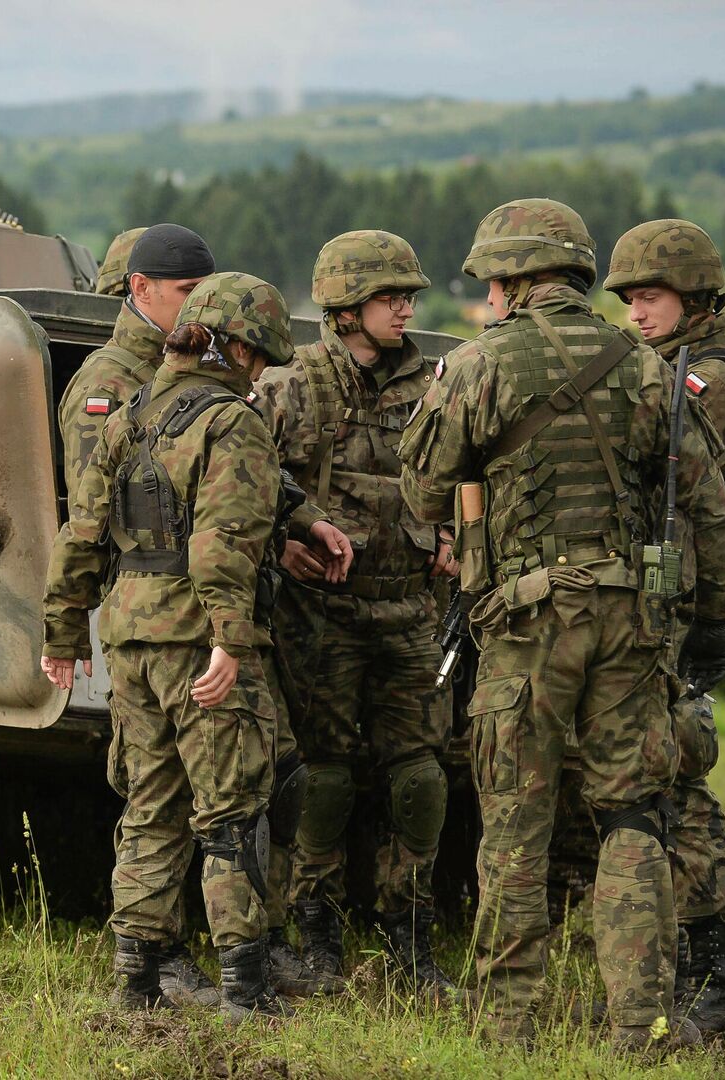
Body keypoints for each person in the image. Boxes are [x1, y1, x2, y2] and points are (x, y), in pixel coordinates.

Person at [398, 198, 725, 1053]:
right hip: (632, 627)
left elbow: (418, 492)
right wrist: (708, 625)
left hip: (526, 623)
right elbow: (710, 511)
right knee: (631, 816)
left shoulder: (479, 366)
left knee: (516, 818)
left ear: (511, 282)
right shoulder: (651, 367)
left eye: (489, 285)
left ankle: (507, 1026)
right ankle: (641, 1022)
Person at [42, 272, 353, 1020]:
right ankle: (245, 988)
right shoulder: (232, 422)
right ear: (241, 348)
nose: (259, 373)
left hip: (129, 634)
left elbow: (81, 535)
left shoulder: (132, 414)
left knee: (149, 806)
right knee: (232, 810)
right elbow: (222, 546)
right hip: (196, 640)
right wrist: (230, 642)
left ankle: (135, 983)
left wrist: (61, 632)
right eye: (259, 359)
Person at [257, 230, 456, 996]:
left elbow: (467, 476)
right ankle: (316, 940)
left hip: (409, 612)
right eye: (388, 296)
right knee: (324, 781)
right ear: (343, 309)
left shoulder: (435, 388)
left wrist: (452, 536)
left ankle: (411, 941)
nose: (406, 308)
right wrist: (282, 548)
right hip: (320, 616)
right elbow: (241, 486)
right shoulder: (289, 387)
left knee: (419, 779)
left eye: (409, 295)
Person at [604, 218, 725, 1035]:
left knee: (678, 777)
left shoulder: (713, 381)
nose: (636, 311)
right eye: (629, 298)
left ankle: (715, 964)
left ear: (695, 296)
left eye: (652, 296)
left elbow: (697, 490)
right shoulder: (668, 368)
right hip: (648, 600)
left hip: (678, 605)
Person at [57, 224, 213, 499]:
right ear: (141, 287)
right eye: (188, 291)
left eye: (208, 292)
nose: (203, 305)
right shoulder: (103, 384)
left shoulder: (202, 364)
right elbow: (90, 513)